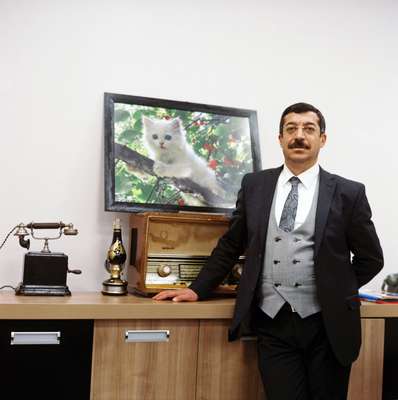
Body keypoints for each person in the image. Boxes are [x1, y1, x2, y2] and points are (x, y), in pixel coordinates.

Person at [153, 102, 383, 400]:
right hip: (272, 322)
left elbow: (371, 258)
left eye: (308, 129)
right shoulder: (255, 185)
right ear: (280, 138)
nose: (299, 136)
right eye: (291, 129)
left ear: (322, 139)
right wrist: (198, 288)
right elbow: (231, 244)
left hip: (329, 326)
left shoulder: (349, 192)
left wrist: (336, 289)